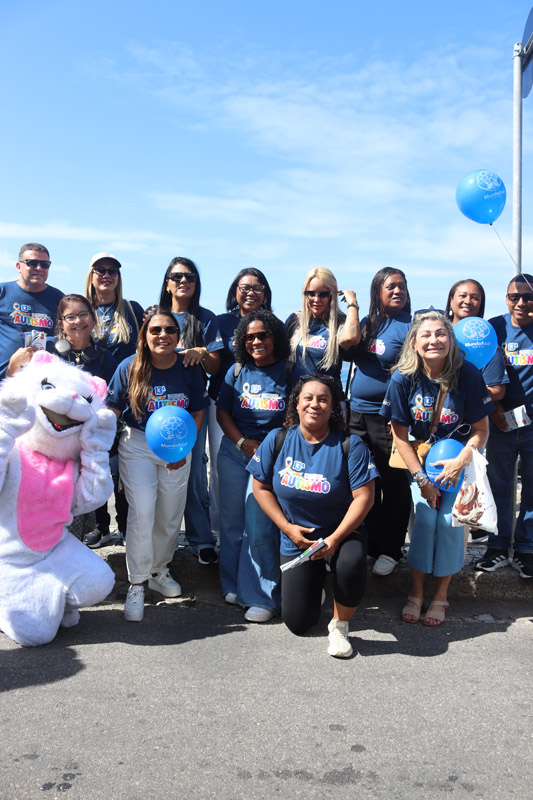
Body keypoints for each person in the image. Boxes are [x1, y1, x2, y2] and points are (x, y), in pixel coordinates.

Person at [248, 376, 378, 658]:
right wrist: (288, 528)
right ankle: (315, 585)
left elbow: (364, 498)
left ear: (333, 407)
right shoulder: (278, 439)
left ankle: (339, 624)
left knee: (352, 561)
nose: (314, 404)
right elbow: (260, 487)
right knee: (298, 623)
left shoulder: (351, 445)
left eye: (323, 399)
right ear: (296, 403)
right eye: (308, 398)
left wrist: (334, 539)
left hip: (341, 533)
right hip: (298, 537)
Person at [381, 311, 493, 626]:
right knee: (426, 520)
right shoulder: (402, 378)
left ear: (450, 339)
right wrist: (422, 480)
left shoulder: (468, 374)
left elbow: (481, 430)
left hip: (459, 464)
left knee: (448, 524)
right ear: (414, 343)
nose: (434, 340)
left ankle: (441, 594)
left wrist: (462, 460)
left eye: (441, 333)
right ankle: (416, 592)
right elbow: (400, 438)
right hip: (420, 464)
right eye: (426, 335)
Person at [107, 307, 208, 622]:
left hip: (177, 447)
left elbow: (198, 410)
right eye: (155, 330)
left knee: (168, 517)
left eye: (169, 330)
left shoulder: (189, 367)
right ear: (145, 335)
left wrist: (184, 448)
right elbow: (111, 407)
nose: (162, 335)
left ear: (178, 336)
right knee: (142, 513)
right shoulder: (129, 366)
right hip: (137, 446)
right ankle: (137, 583)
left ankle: (158, 569)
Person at [216, 310, 293, 622]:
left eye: (263, 335)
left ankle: (262, 596)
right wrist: (241, 443)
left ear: (275, 337)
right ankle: (233, 584)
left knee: (258, 523)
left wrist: (273, 447)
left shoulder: (291, 371)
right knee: (232, 523)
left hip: (271, 457)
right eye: (250, 337)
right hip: (235, 451)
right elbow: (222, 413)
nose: (257, 341)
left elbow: (299, 417)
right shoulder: (236, 370)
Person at [345, 267, 412, 576]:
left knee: (395, 484)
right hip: (356, 415)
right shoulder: (366, 325)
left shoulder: (411, 327)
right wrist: (354, 306)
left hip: (390, 419)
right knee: (363, 482)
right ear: (378, 292)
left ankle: (391, 549)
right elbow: (346, 345)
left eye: (402, 286)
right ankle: (369, 543)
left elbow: (415, 377)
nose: (397, 291)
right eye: (390, 287)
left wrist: (400, 417)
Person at [158, 257, 223, 564]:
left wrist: (203, 352)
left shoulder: (206, 318)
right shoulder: (155, 315)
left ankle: (200, 538)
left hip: (192, 407)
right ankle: (163, 542)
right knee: (157, 475)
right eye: (177, 276)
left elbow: (215, 365)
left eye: (190, 277)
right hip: (156, 407)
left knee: (195, 473)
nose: (183, 281)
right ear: (167, 282)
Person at [84, 252, 144, 547]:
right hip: (91, 397)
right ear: (91, 275)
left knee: (122, 465)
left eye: (112, 271)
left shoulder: (132, 310)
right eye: (100, 270)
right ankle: (100, 525)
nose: (106, 275)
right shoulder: (82, 309)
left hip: (124, 396)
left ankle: (123, 523)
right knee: (95, 461)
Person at [475, 274, 533, 579]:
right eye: (514, 296)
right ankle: (496, 547)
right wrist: (494, 410)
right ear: (506, 298)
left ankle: (526, 549)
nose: (521, 303)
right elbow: (479, 370)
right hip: (500, 422)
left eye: (528, 297)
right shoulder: (494, 328)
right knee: (498, 486)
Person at [208, 268, 273, 537]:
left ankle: (255, 534)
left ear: (265, 293)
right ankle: (221, 532)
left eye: (257, 288)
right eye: (244, 287)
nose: (250, 293)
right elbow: (213, 365)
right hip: (222, 404)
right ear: (235, 291)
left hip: (261, 405)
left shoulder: (274, 324)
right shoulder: (220, 322)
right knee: (220, 469)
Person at [48, 294, 118, 543]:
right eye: (70, 316)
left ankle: (99, 529)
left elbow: (111, 399)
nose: (78, 321)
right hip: (55, 438)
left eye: (83, 314)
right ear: (61, 322)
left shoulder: (104, 357)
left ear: (93, 318)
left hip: (90, 436)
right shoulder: (48, 351)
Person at [1, 243, 64, 379]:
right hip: (5, 382)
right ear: (19, 266)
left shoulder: (59, 299)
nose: (39, 268)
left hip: (42, 383)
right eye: (32, 263)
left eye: (45, 264)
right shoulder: (3, 292)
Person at [285, 267, 357, 385]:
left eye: (323, 294)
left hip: (328, 398)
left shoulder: (342, 323)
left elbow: (351, 339)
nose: (316, 299)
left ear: (332, 296)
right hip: (299, 398)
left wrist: (352, 303)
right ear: (305, 294)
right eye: (311, 294)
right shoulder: (294, 321)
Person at [445, 278, 508, 403]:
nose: (468, 301)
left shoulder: (486, 341)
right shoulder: (436, 336)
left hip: (472, 420)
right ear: (451, 301)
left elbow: (497, 391)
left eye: (474, 298)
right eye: (462, 296)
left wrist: (461, 395)